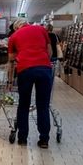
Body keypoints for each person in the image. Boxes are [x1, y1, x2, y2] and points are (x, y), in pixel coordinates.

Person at [8, 19, 53, 148]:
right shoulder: (41, 30)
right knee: (43, 105)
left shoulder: (14, 36)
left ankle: (22, 138)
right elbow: (49, 51)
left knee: (23, 105)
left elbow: (11, 59)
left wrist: (10, 80)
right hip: (44, 69)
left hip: (25, 70)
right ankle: (44, 140)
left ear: (16, 27)